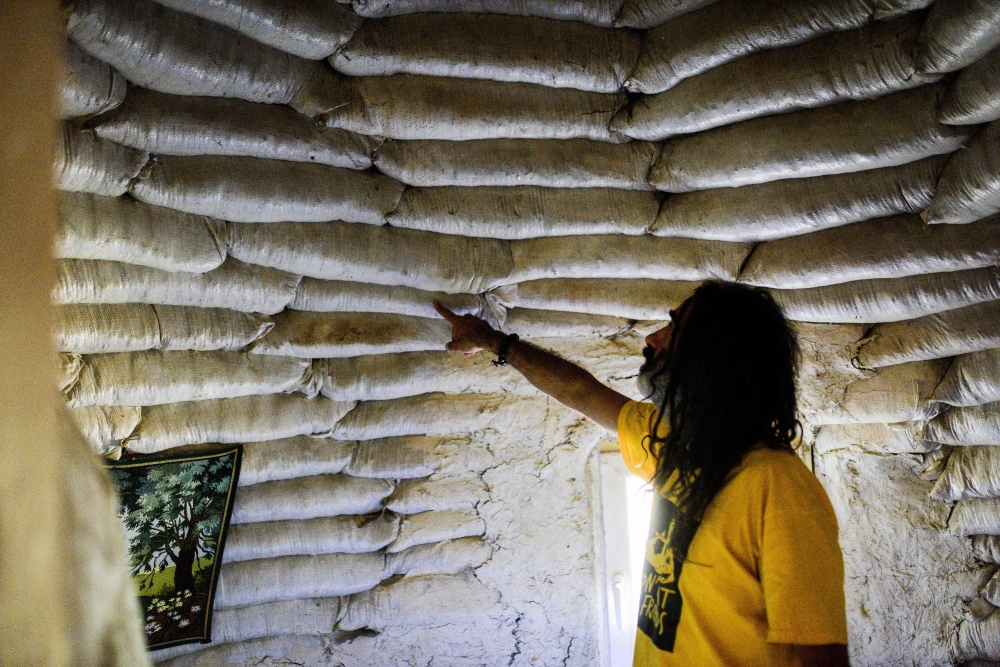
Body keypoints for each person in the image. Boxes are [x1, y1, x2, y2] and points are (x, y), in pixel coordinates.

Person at [433, 281, 849, 667]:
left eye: (674, 329)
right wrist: (493, 340)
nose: (652, 340)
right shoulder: (679, 445)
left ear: (717, 355)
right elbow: (580, 391)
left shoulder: (777, 487)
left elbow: (821, 658)